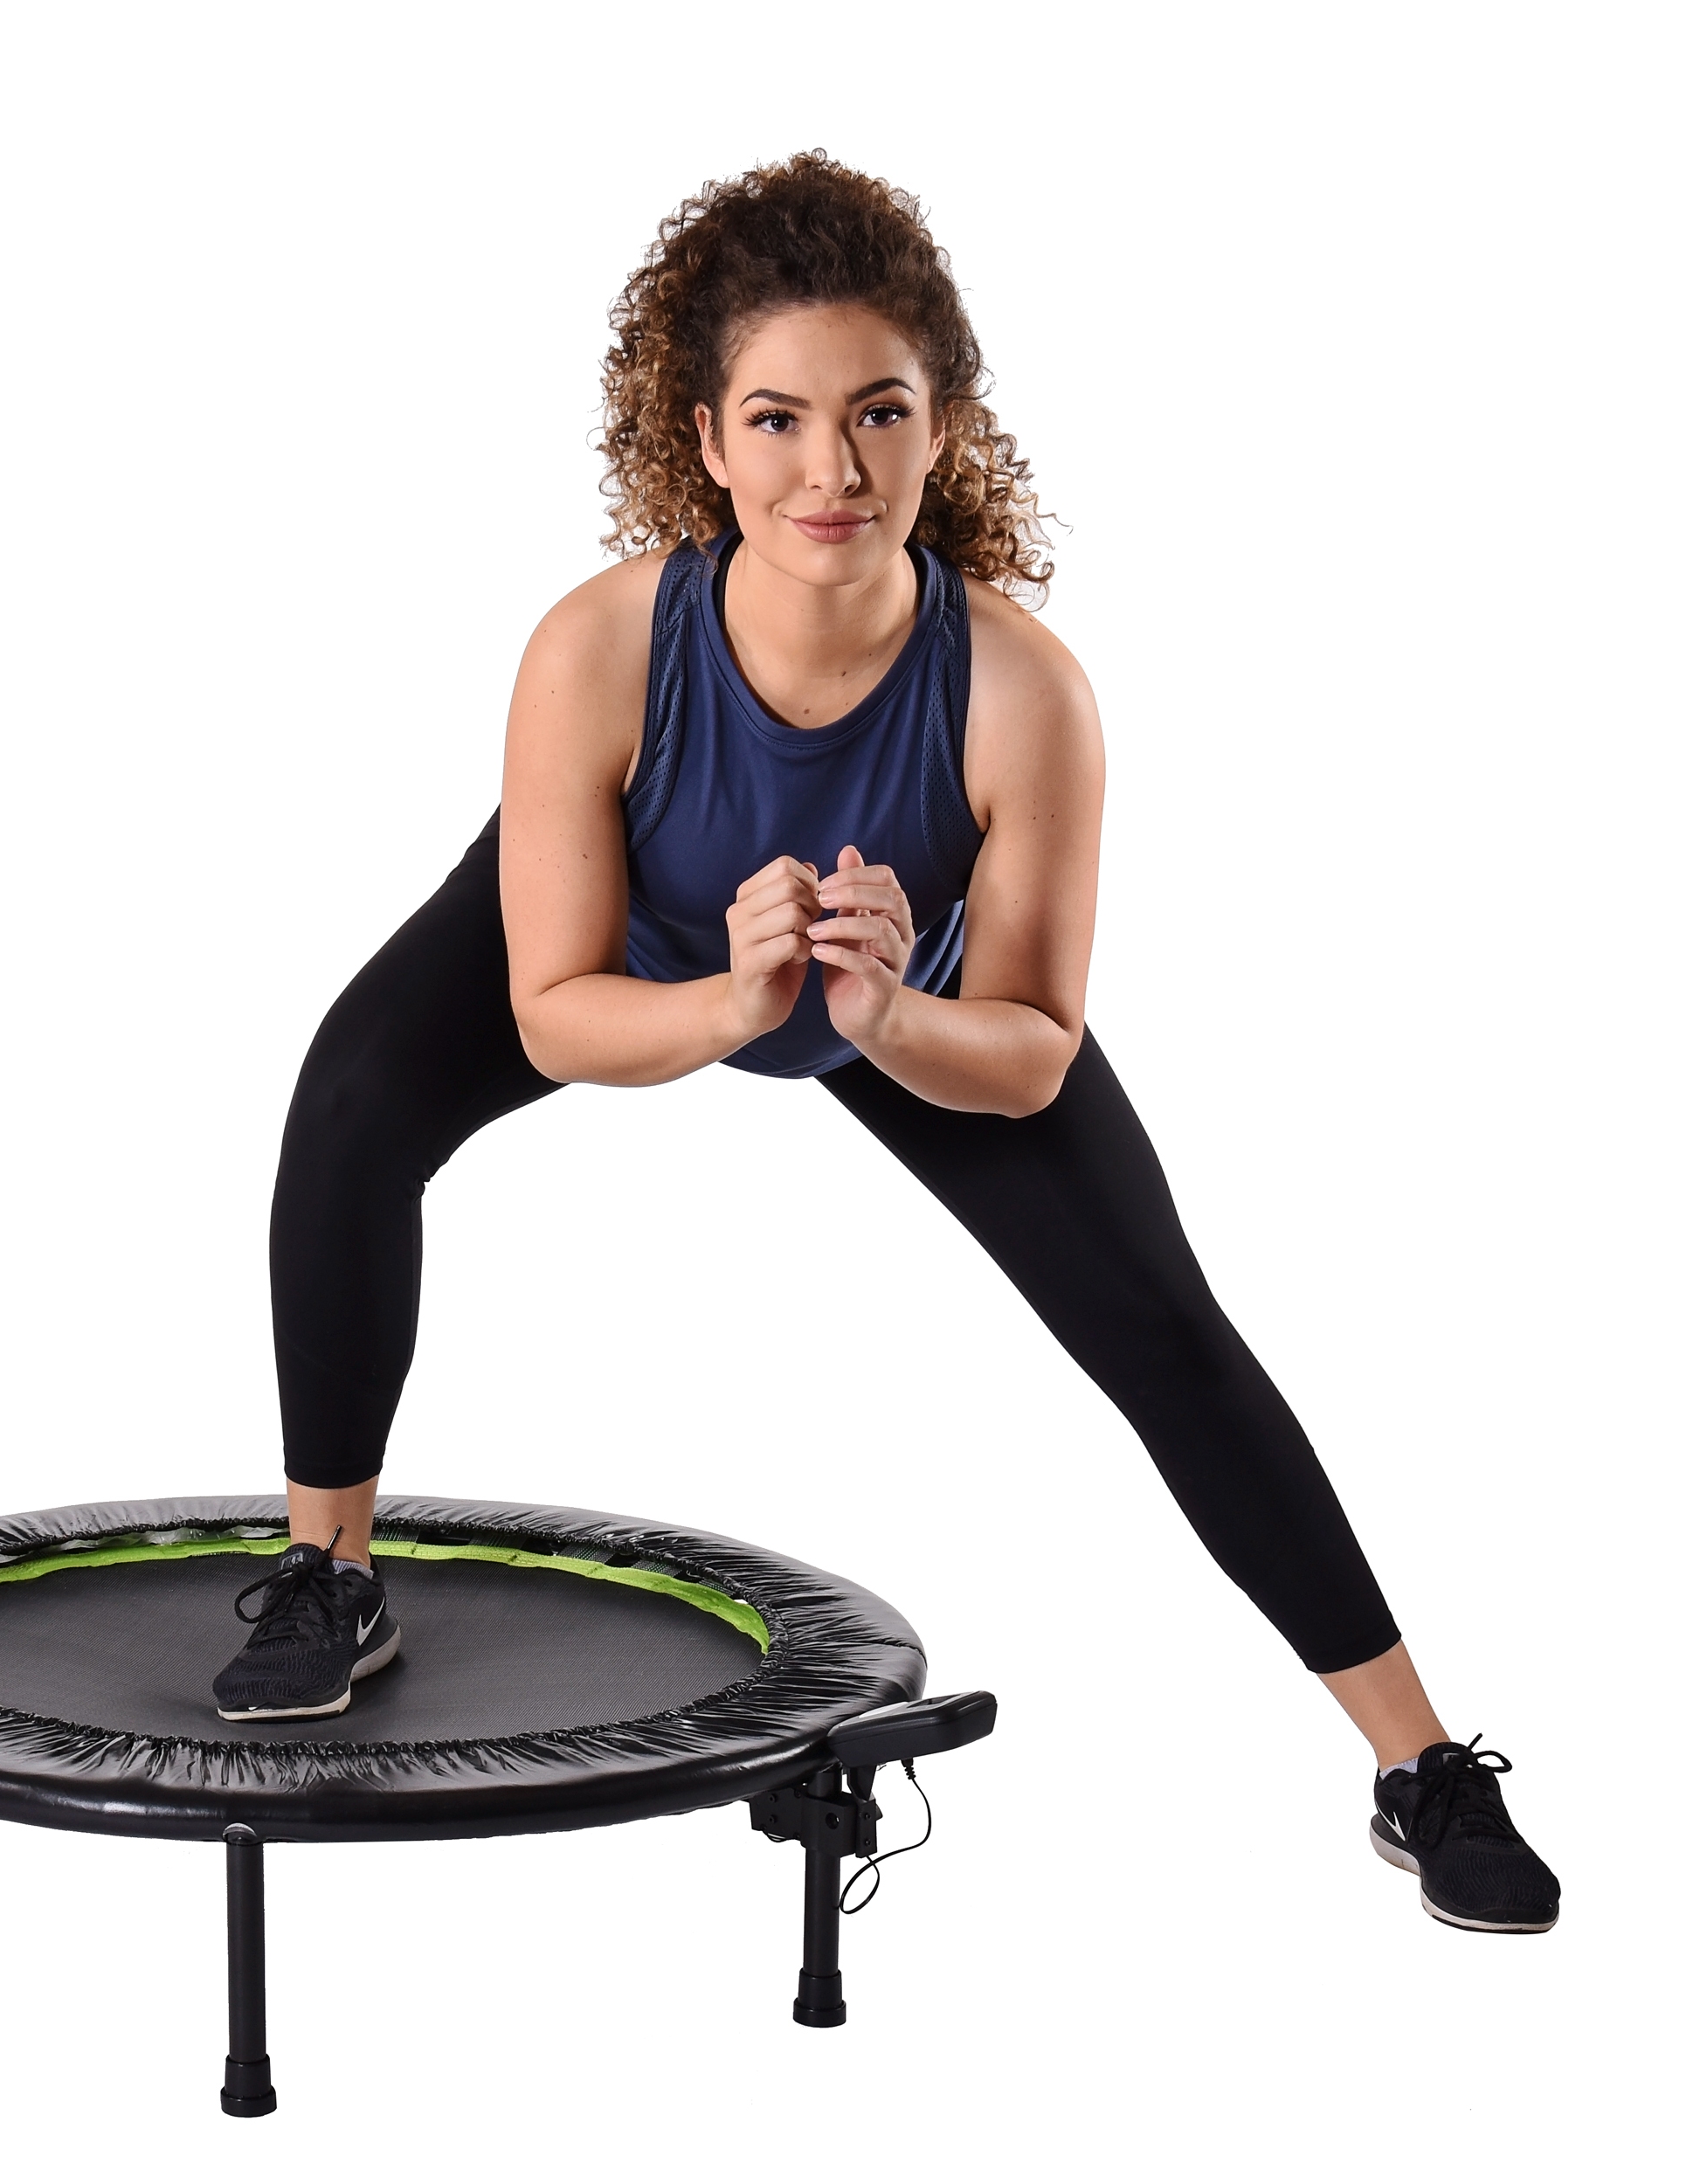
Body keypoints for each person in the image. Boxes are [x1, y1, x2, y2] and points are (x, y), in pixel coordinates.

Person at [213, 154, 1558, 1934]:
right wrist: (722, 1002)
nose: (827, 471)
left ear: (943, 427)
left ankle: (1413, 1764)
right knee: (355, 1096)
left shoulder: (1018, 693)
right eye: (774, 419)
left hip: (892, 995)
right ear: (699, 437)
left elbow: (1027, 1052)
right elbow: (550, 1006)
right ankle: (327, 1570)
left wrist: (884, 1013)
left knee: (1160, 1323)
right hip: (652, 939)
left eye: (876, 415)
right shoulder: (600, 652)